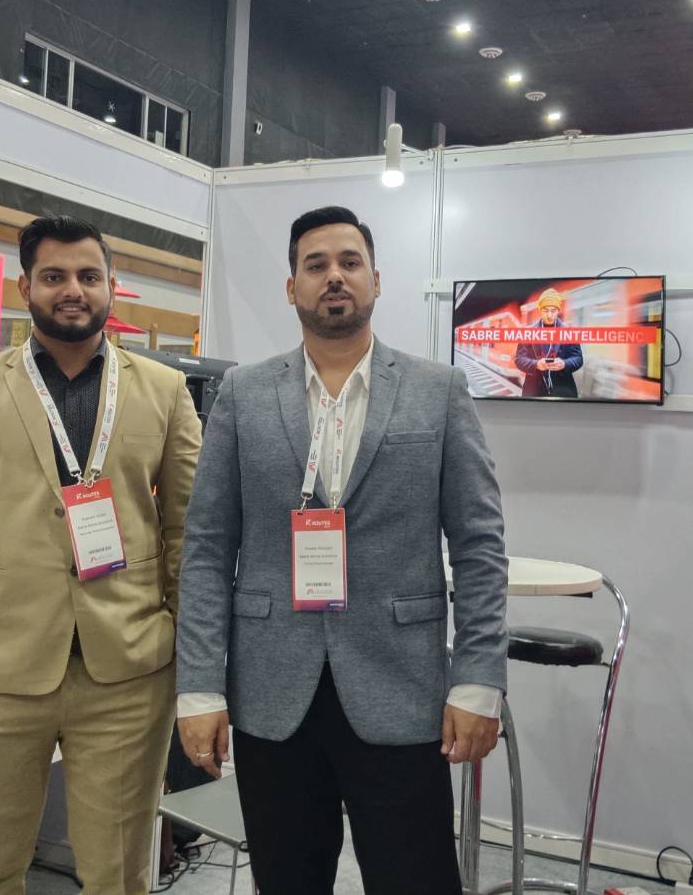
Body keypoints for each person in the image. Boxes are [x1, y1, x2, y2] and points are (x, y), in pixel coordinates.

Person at [175, 205, 509, 895]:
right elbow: (207, 547)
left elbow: (478, 545)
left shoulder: (438, 391)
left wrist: (478, 678)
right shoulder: (243, 393)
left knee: (416, 880)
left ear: (376, 281)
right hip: (272, 692)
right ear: (291, 287)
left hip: (401, 686)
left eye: (349, 262)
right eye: (316, 264)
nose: (334, 276)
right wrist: (199, 684)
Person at [0, 215, 202, 895]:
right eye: (54, 276)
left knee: (119, 876)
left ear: (111, 286)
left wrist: (192, 657)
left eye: (89, 276)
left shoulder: (163, 390)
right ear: (25, 287)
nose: (73, 290)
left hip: (129, 674)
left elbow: (189, 534)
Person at [513, 288, 583, 398]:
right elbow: (519, 359)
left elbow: (578, 358)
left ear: (558, 311)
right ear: (540, 310)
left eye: (553, 311)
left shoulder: (569, 331)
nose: (549, 315)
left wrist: (564, 364)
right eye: (546, 311)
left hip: (563, 391)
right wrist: (536, 364)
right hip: (534, 392)